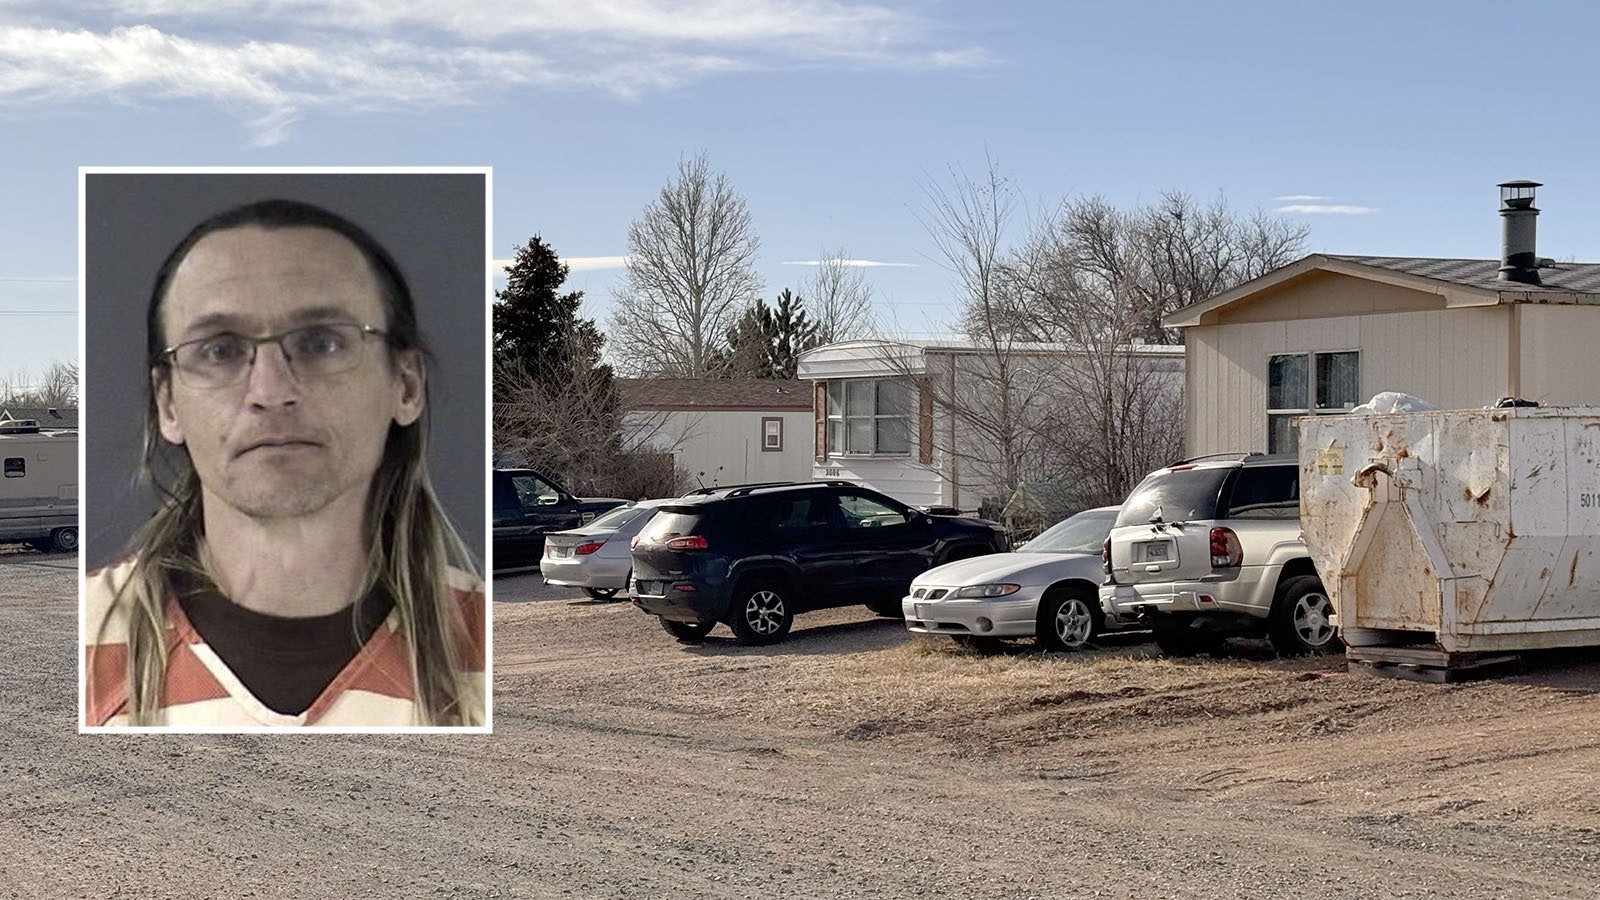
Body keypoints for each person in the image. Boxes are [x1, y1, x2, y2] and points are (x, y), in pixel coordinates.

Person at [84, 199, 485, 728]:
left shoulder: (486, 647)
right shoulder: (82, 641)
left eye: (321, 342)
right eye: (220, 350)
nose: (270, 392)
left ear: (406, 385)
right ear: (168, 404)